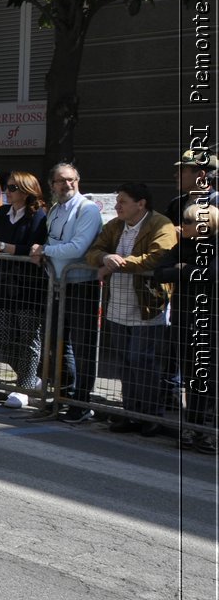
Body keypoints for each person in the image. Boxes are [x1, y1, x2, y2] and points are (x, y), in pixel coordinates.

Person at [86, 183, 177, 435]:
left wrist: (117, 264)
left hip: (147, 305)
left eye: (122, 201)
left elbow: (157, 257)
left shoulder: (161, 225)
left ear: (141, 203)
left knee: (143, 360)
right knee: (125, 361)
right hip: (118, 304)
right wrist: (105, 258)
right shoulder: (115, 225)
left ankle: (150, 416)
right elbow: (94, 250)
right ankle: (129, 412)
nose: (117, 206)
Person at [30, 164, 104, 420]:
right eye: (61, 181)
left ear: (78, 181)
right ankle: (62, 397)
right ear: (52, 185)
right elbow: (52, 241)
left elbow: (77, 248)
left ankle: (81, 403)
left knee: (83, 347)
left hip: (82, 285)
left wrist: (44, 251)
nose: (67, 185)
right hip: (56, 284)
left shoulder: (88, 209)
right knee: (56, 344)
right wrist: (42, 250)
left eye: (71, 180)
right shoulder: (55, 210)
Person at [0, 171, 50, 397]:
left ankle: (24, 387)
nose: (8, 191)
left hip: (30, 284)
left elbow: (35, 249)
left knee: (28, 338)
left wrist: (2, 246)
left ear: (27, 191)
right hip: (5, 282)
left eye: (13, 187)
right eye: (8, 186)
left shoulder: (39, 215)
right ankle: (31, 377)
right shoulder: (4, 212)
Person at [154, 202, 217, 453]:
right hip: (184, 317)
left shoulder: (215, 246)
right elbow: (160, 273)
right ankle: (191, 425)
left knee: (208, 376)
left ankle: (207, 431)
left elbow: (211, 274)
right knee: (191, 374)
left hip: (209, 320)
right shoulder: (182, 247)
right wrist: (186, 270)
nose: (183, 226)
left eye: (189, 222)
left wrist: (182, 269)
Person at [166, 149, 219, 224]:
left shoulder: (216, 203)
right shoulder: (176, 204)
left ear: (200, 175)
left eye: (182, 171)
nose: (175, 175)